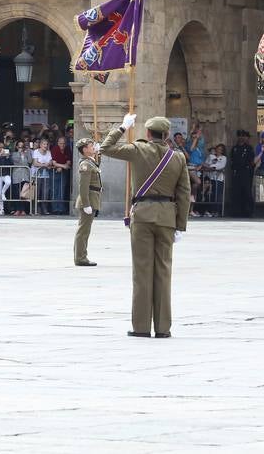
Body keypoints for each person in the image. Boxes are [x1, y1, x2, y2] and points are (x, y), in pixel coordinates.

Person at [100, 114, 191, 339]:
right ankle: (162, 328)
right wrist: (181, 225)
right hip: (167, 217)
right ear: (167, 135)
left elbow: (105, 148)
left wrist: (122, 126)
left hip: (142, 215)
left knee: (142, 272)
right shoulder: (178, 158)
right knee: (163, 272)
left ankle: (141, 326)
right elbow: (184, 193)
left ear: (148, 134)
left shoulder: (138, 150)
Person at [73, 137, 101, 266]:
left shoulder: (90, 162)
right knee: (83, 231)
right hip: (88, 199)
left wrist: (99, 153)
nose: (93, 148)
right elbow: (83, 186)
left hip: (93, 198)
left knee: (85, 230)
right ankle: (80, 258)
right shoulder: (85, 164)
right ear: (84, 150)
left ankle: (81, 255)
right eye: (91, 146)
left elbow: (97, 166)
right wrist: (86, 204)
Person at [228, 130, 254, 217]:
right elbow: (232, 160)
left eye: (243, 136)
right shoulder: (234, 148)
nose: (241, 138)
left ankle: (248, 211)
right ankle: (236, 211)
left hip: (246, 172)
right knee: (236, 192)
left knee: (247, 192)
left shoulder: (249, 148)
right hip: (237, 172)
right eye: (240, 136)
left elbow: (251, 161)